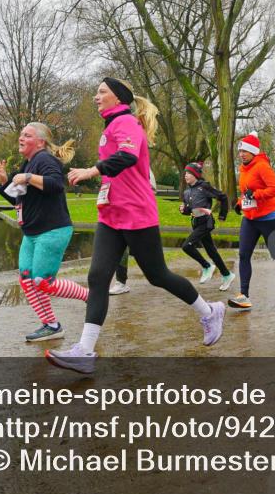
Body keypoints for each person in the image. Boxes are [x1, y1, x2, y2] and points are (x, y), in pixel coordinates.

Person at [48, 78, 225, 374]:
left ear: (118, 97)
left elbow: (128, 157)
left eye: (101, 92)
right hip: (111, 214)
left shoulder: (127, 123)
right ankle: (85, 351)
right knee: (97, 277)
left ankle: (209, 312)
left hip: (136, 212)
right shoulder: (111, 126)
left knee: (158, 275)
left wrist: (92, 170)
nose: (96, 97)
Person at [0, 123, 88, 342]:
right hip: (32, 233)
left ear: (40, 142)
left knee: (43, 281)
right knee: (26, 279)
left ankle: (91, 297)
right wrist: (5, 182)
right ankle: (51, 326)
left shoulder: (45, 159)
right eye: (21, 134)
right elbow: (20, 201)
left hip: (52, 230)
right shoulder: (28, 163)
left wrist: (27, 177)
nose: (21, 138)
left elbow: (56, 184)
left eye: (27, 135)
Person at [230, 132, 275, 310]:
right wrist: (240, 203)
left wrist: (257, 195)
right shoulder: (243, 169)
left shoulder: (262, 166)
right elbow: (246, 192)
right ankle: (244, 296)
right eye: (240, 151)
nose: (241, 154)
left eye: (245, 151)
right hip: (250, 219)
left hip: (269, 219)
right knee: (244, 255)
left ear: (253, 151)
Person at [179, 162, 236, 289]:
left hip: (206, 222)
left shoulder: (204, 186)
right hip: (195, 223)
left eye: (188, 173)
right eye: (185, 173)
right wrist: (183, 210)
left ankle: (207, 266)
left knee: (186, 246)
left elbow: (223, 197)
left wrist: (222, 215)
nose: (185, 175)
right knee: (211, 251)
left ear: (195, 174)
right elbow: (189, 210)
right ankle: (227, 275)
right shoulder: (187, 192)